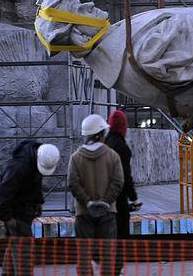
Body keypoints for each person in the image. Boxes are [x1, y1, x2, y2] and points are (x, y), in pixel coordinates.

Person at [68, 114, 124, 276]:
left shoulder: (76, 157)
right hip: (107, 213)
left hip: (83, 213)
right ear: (101, 134)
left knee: (84, 256)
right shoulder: (112, 156)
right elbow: (118, 182)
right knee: (108, 257)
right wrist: (105, 202)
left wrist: (88, 202)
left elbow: (73, 183)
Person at [0, 140, 60, 276]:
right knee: (24, 257)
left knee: (15, 251)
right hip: (17, 216)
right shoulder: (19, 167)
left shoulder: (33, 163)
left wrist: (38, 203)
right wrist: (8, 218)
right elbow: (3, 194)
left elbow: (34, 187)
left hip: (23, 215)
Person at [105, 110, 142, 275]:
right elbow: (125, 176)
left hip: (103, 199)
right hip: (118, 201)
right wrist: (133, 198)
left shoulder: (105, 143)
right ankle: (116, 270)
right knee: (120, 237)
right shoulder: (122, 147)